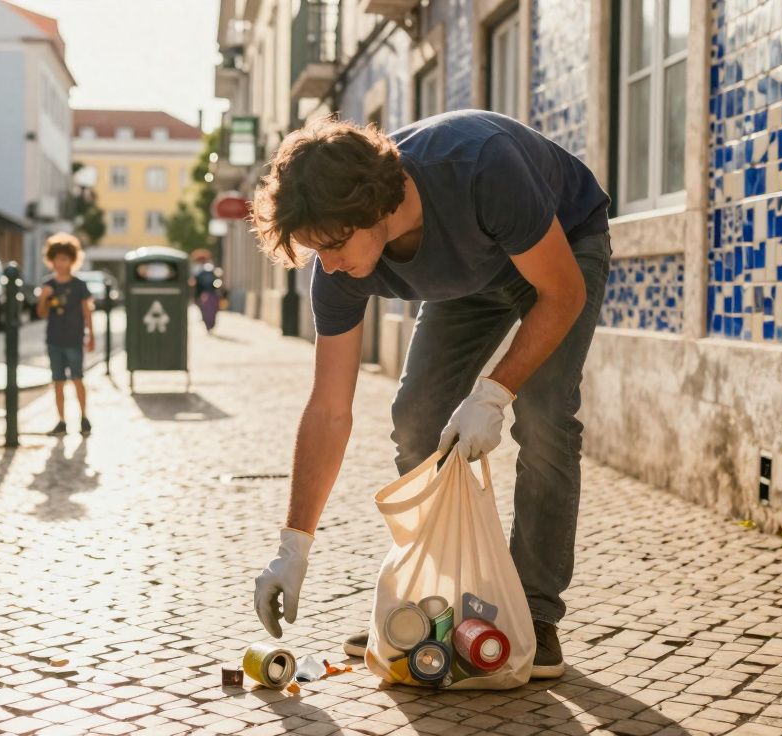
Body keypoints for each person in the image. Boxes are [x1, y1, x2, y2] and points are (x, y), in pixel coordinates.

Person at [249, 111, 612, 679]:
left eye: (336, 244)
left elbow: (562, 293)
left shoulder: (481, 165)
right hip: (468, 277)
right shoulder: (338, 265)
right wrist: (292, 548)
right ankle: (434, 604)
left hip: (559, 248)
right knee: (416, 419)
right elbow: (328, 409)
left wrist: (493, 394)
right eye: (315, 250)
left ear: (379, 207)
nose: (332, 264)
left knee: (543, 415)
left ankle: (536, 613)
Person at [35, 233, 96, 436]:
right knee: (58, 381)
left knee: (78, 378)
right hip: (54, 339)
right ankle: (61, 421)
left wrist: (91, 335)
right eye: (57, 259)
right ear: (51, 261)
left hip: (74, 339)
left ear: (72, 260)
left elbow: (87, 311)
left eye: (64, 259)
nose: (60, 263)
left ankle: (84, 417)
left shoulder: (79, 285)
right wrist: (43, 299)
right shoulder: (48, 285)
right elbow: (41, 313)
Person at [191, 250, 222, 333]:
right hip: (207, 293)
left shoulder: (207, 268)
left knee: (208, 310)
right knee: (209, 310)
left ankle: (209, 325)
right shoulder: (203, 268)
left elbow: (195, 283)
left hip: (206, 293)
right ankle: (209, 325)